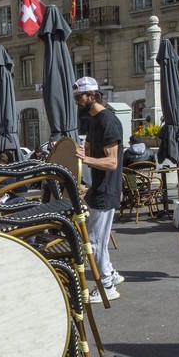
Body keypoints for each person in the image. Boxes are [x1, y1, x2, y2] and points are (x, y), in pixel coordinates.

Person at [73, 77, 124, 302]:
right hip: (99, 188)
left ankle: (106, 286)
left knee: (94, 241)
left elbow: (112, 162)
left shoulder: (108, 121)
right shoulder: (93, 121)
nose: (76, 101)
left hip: (107, 190)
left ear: (93, 95)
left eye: (79, 97)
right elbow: (91, 153)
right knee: (97, 239)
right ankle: (111, 273)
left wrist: (87, 158)